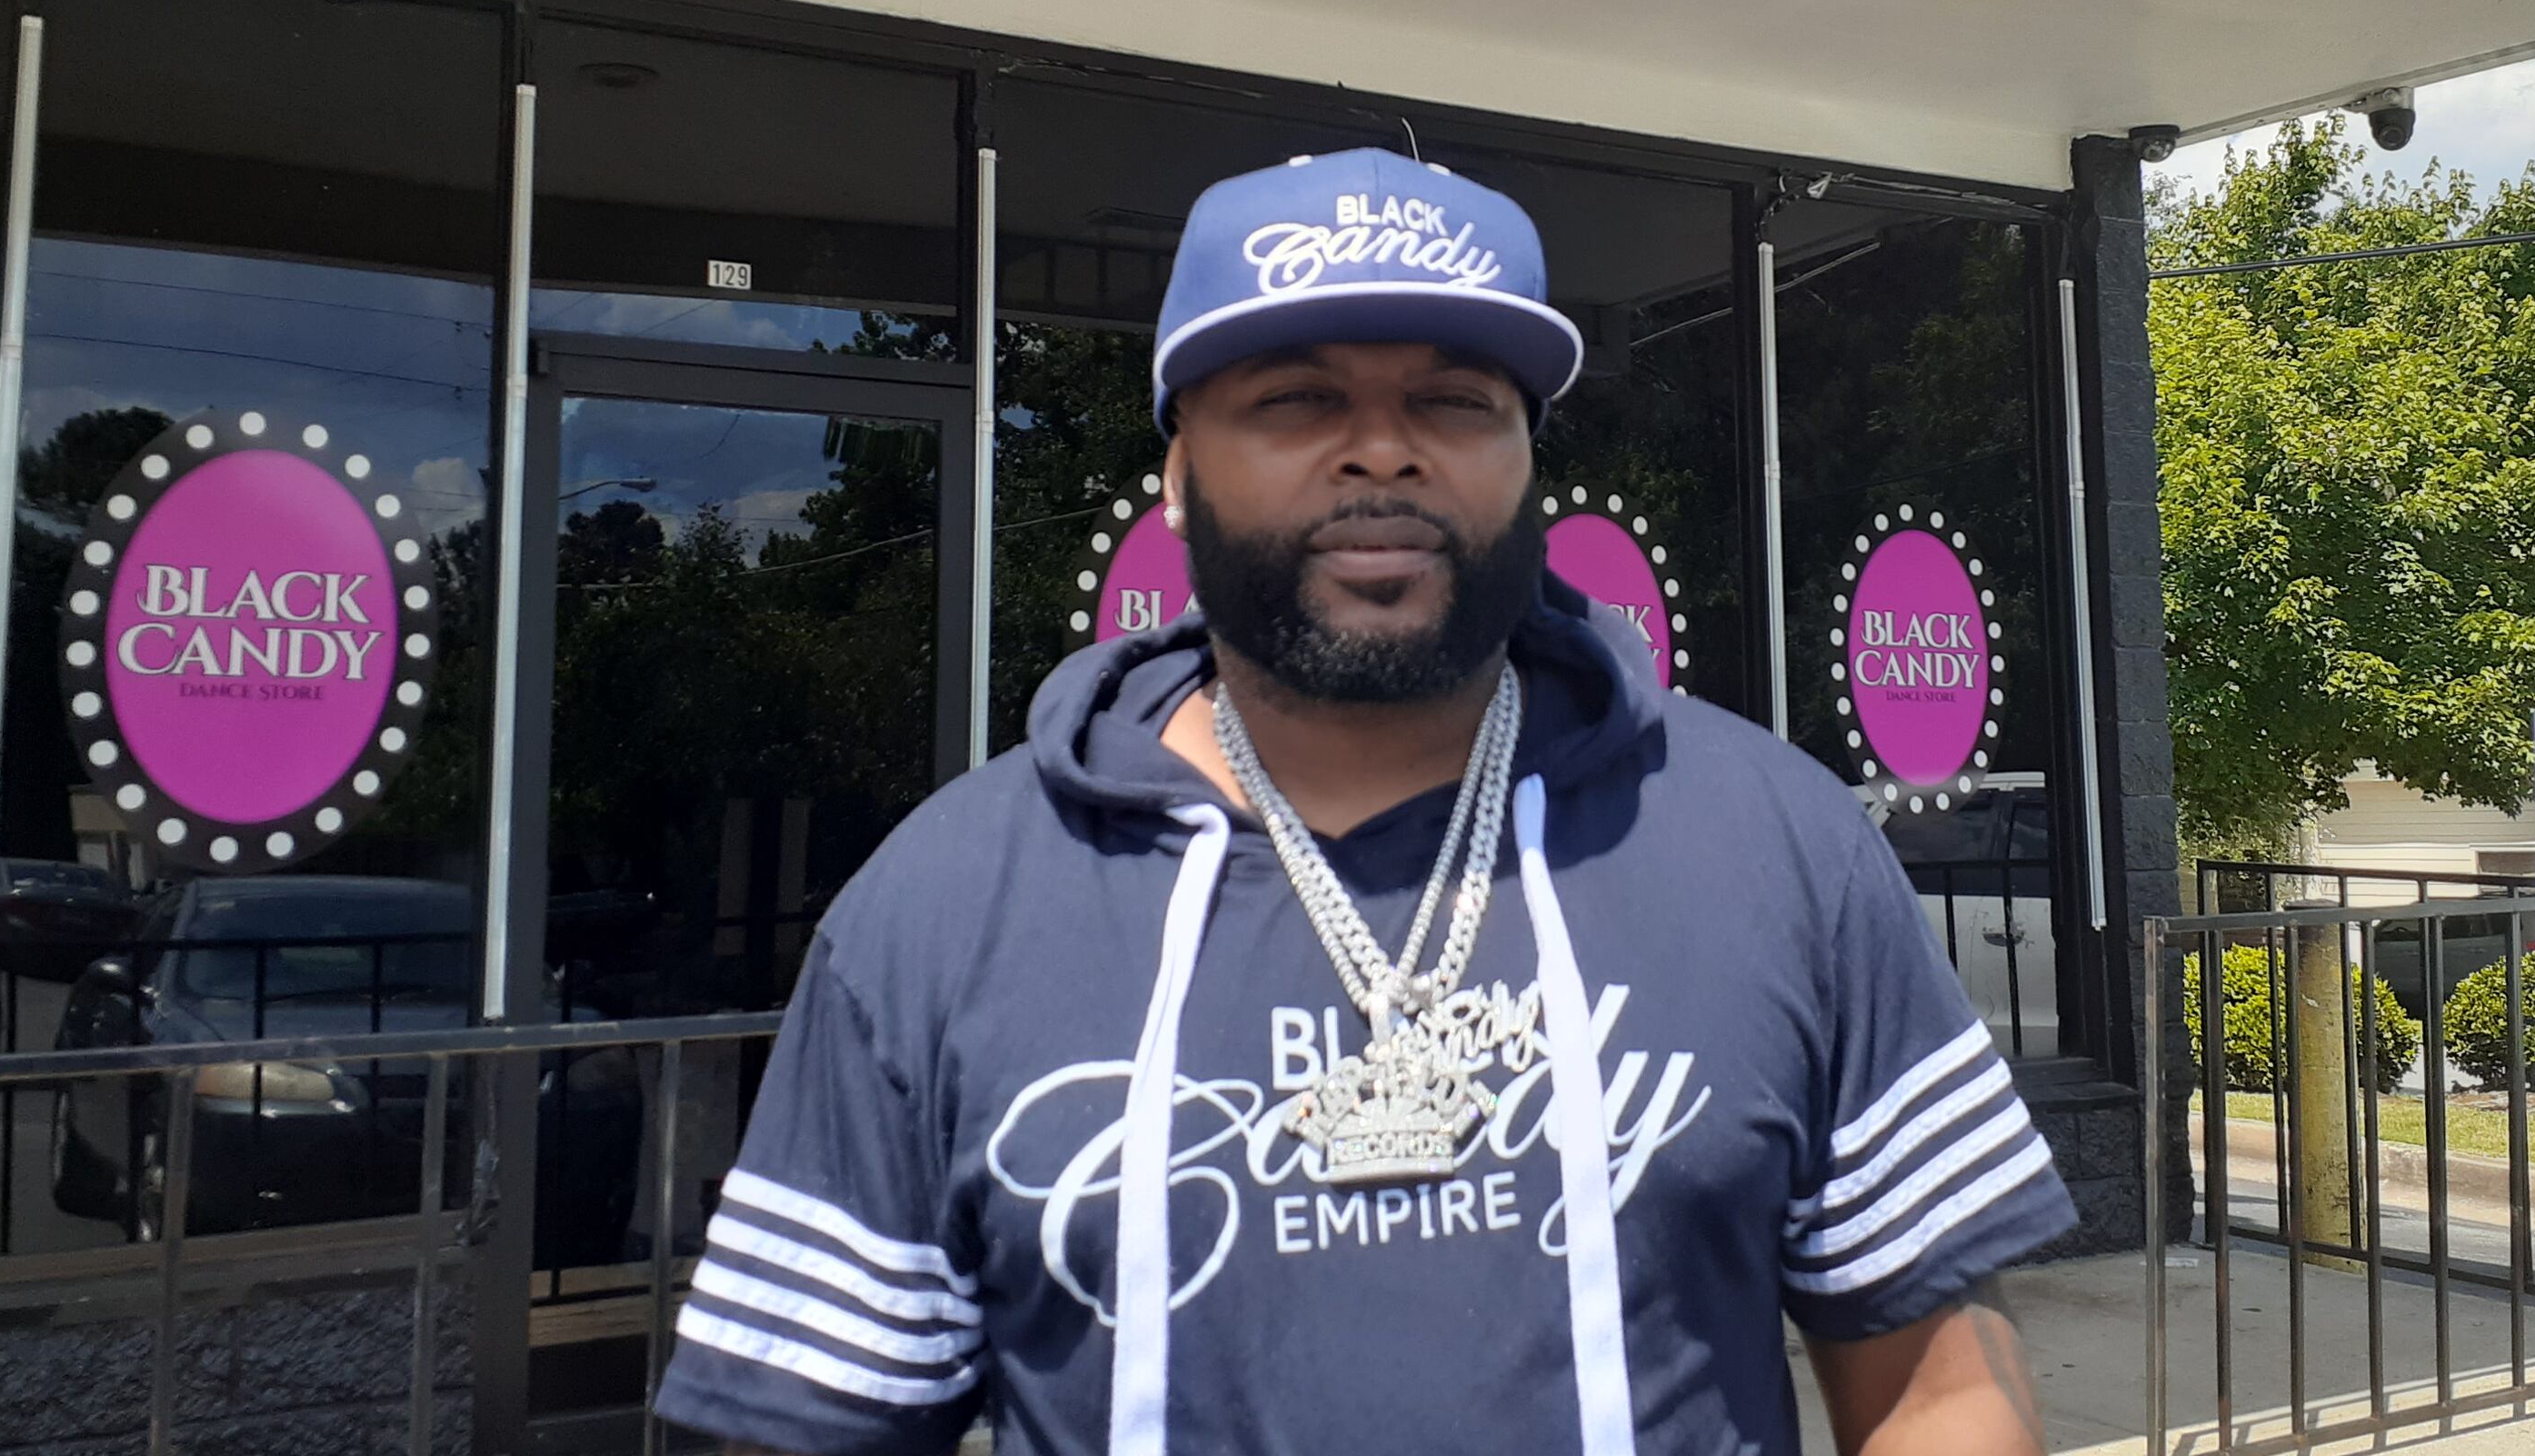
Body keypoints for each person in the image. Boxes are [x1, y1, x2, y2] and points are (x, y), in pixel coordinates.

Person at [654, 147, 2074, 1455]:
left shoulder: (1772, 844)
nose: (1383, 451)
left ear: (1527, 463)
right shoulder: (944, 905)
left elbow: (1942, 1379)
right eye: (1297, 400)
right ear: (1175, 472)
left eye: (1454, 402)